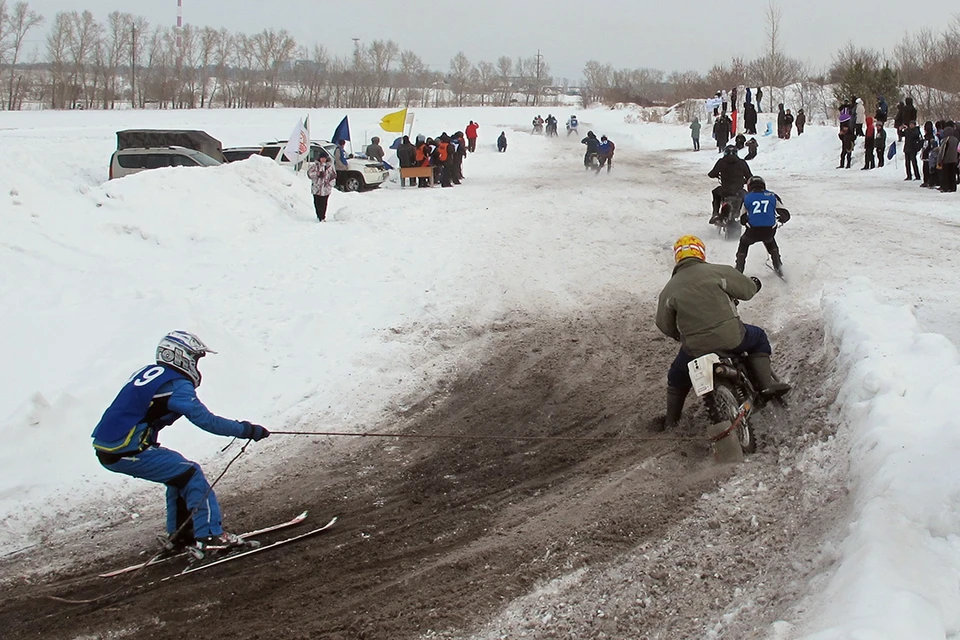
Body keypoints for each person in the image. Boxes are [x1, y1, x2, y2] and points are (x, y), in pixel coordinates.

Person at [91, 331, 270, 556]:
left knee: (179, 474)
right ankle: (210, 536)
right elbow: (206, 420)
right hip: (125, 448)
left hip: (111, 446)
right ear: (180, 356)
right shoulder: (176, 385)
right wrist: (246, 430)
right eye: (194, 358)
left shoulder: (151, 373)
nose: (196, 365)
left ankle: (181, 536)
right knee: (191, 473)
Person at [653, 236, 791, 431]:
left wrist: (681, 335)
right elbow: (747, 290)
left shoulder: (669, 290)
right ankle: (766, 384)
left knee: (677, 376)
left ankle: (671, 422)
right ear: (700, 252)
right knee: (758, 336)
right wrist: (754, 284)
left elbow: (664, 325)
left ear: (677, 258)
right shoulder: (719, 271)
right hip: (732, 337)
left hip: (695, 348)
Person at [736, 175, 789, 275]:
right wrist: (779, 219)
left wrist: (749, 220)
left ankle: (739, 269)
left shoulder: (746, 198)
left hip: (752, 231)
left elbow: (742, 219)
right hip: (769, 231)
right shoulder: (772, 196)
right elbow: (785, 214)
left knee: (744, 242)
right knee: (770, 241)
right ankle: (778, 266)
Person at [708, 144, 752, 223]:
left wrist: (716, 175)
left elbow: (711, 174)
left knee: (715, 192)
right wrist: (743, 180)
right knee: (746, 198)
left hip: (725, 191)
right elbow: (749, 177)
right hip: (739, 191)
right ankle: (748, 215)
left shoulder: (721, 162)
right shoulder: (742, 162)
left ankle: (715, 213)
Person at [307, 151, 337, 221]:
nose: (323, 159)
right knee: (317, 202)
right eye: (322, 158)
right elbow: (309, 174)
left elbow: (334, 176)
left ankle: (322, 217)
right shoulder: (315, 166)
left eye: (324, 158)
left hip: (326, 188)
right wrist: (317, 174)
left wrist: (330, 183)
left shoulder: (330, 167)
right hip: (316, 188)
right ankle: (318, 215)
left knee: (324, 203)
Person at [938, 124, 959, 193]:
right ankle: (953, 187)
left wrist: (940, 159)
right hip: (954, 159)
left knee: (945, 174)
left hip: (946, 159)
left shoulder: (946, 139)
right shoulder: (956, 140)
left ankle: (945, 187)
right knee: (952, 173)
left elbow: (942, 150)